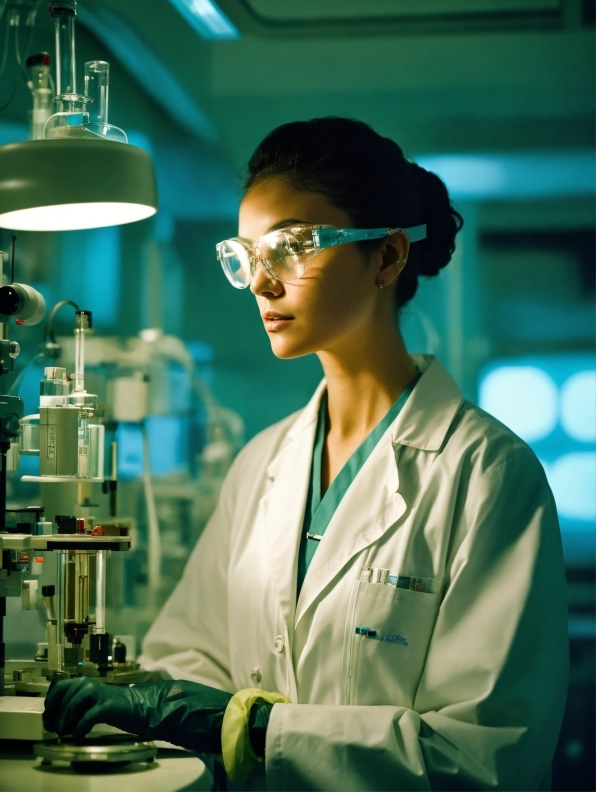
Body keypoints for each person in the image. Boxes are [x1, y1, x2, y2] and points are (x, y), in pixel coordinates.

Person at [44, 117, 568, 791]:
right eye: (248, 255)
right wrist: (148, 700)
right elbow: (192, 655)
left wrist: (255, 729)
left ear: (387, 256)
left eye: (292, 247)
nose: (262, 284)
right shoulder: (263, 462)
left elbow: (491, 757)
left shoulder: (487, 475)